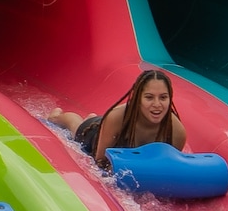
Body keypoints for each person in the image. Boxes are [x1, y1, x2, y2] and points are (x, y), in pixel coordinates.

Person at [60, 66, 188, 163]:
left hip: (107, 127)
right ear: (138, 99)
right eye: (149, 97)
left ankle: (93, 118)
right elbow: (99, 162)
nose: (157, 104)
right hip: (94, 134)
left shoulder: (176, 131)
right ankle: (58, 115)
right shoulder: (116, 117)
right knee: (75, 126)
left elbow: (170, 167)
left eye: (163, 97)